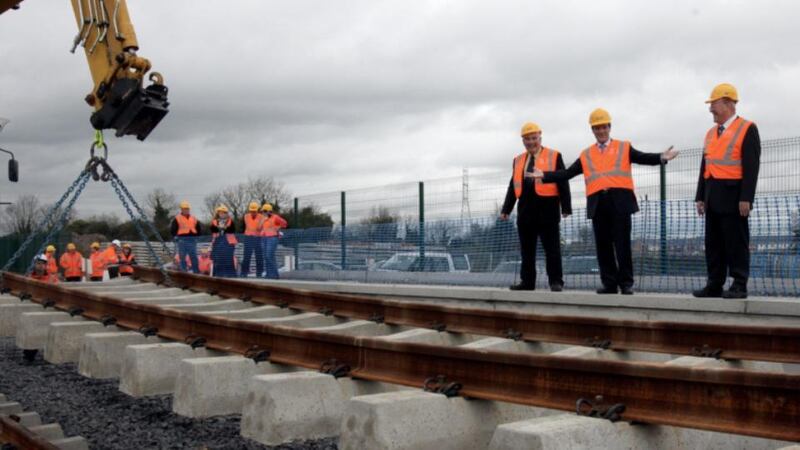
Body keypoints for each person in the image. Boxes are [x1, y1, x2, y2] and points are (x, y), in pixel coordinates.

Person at [534, 108, 678, 295]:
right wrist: (544, 175)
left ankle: (626, 283)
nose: (601, 131)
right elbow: (567, 173)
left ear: (609, 127)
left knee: (622, 244)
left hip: (620, 202)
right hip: (598, 203)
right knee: (603, 247)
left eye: (603, 127)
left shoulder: (623, 147)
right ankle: (609, 283)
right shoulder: (586, 154)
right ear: (592, 130)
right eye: (597, 128)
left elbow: (642, 157)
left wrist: (660, 158)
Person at [693, 83, 760, 299]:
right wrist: (700, 197)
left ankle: (739, 284)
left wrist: (746, 198)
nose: (711, 109)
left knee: (736, 242)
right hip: (712, 195)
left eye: (714, 104)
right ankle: (715, 284)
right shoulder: (710, 133)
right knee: (713, 244)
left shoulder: (747, 128)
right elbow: (705, 166)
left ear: (729, 104)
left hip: (734, 196)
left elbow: (751, 166)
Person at [500, 122, 572, 291]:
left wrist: (566, 207)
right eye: (527, 139)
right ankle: (527, 282)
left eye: (534, 138)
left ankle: (555, 281)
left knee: (552, 249)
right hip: (525, 210)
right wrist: (506, 209)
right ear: (523, 141)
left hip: (548, 209)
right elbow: (513, 185)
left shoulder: (554, 155)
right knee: (527, 250)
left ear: (540, 137)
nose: (531, 142)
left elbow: (562, 180)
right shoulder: (518, 160)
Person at [170, 200, 202, 274]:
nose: (186, 210)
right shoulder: (177, 218)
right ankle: (184, 272)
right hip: (182, 239)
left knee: (193, 256)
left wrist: (198, 236)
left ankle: (196, 271)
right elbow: (173, 229)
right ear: (181, 209)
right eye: (184, 209)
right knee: (182, 256)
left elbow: (198, 228)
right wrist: (175, 236)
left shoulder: (193, 218)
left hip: (192, 239)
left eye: (187, 209)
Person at [210, 205, 238, 278]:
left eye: (224, 213)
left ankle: (231, 274)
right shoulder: (214, 222)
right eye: (221, 213)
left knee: (229, 258)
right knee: (218, 258)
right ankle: (219, 274)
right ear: (218, 213)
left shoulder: (230, 221)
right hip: (218, 241)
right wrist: (219, 228)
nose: (223, 214)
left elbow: (232, 230)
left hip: (229, 242)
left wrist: (225, 228)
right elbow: (213, 230)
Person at [261, 203, 287, 279]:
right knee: (266, 257)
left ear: (269, 211)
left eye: (265, 211)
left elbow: (284, 223)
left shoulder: (275, 217)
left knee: (269, 256)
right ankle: (269, 274)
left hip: (272, 238)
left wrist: (278, 228)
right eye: (263, 211)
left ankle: (274, 275)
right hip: (264, 238)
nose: (263, 213)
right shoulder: (264, 219)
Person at [240, 201, 265, 277]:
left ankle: (259, 273)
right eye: (251, 211)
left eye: (254, 211)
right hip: (248, 238)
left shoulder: (261, 217)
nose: (253, 212)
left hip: (258, 238)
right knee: (247, 256)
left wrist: (262, 220)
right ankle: (244, 273)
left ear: (257, 210)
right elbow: (255, 227)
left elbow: (260, 228)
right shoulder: (246, 216)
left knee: (259, 256)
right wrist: (261, 221)